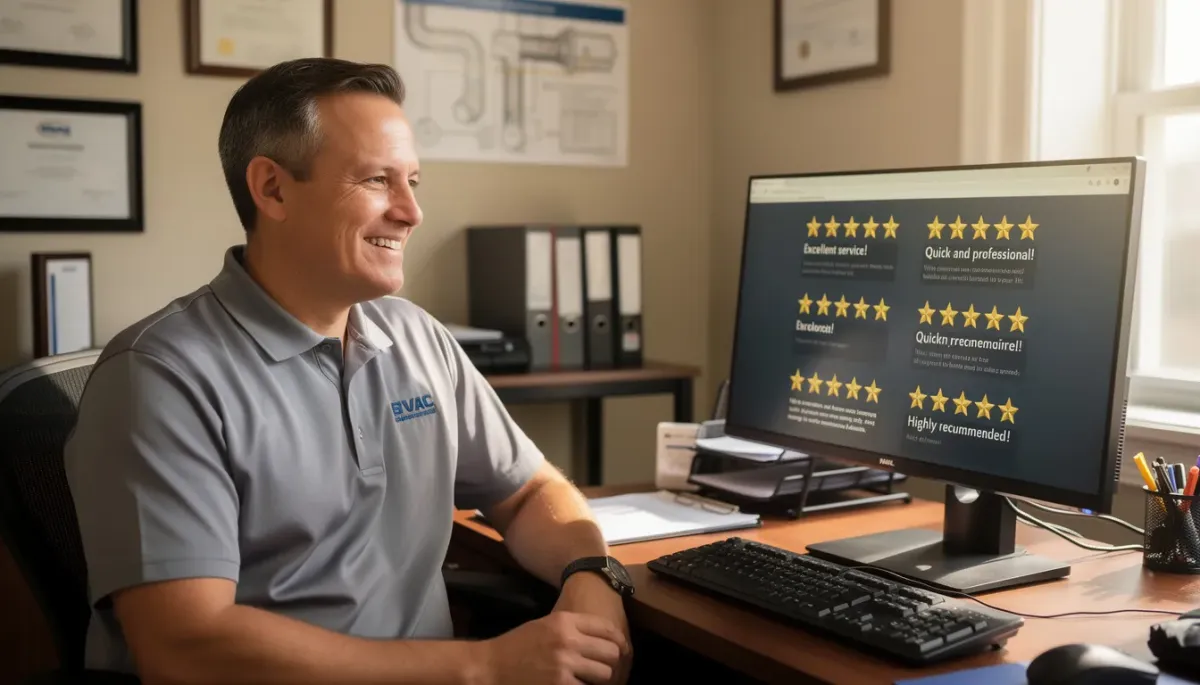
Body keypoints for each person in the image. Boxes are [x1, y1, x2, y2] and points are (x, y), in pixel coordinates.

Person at [64, 57, 633, 685]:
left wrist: (593, 574)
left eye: (414, 181)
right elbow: (186, 648)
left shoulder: (416, 338)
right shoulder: (159, 377)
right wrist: (485, 664)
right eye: (377, 181)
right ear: (273, 189)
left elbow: (527, 492)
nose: (412, 212)